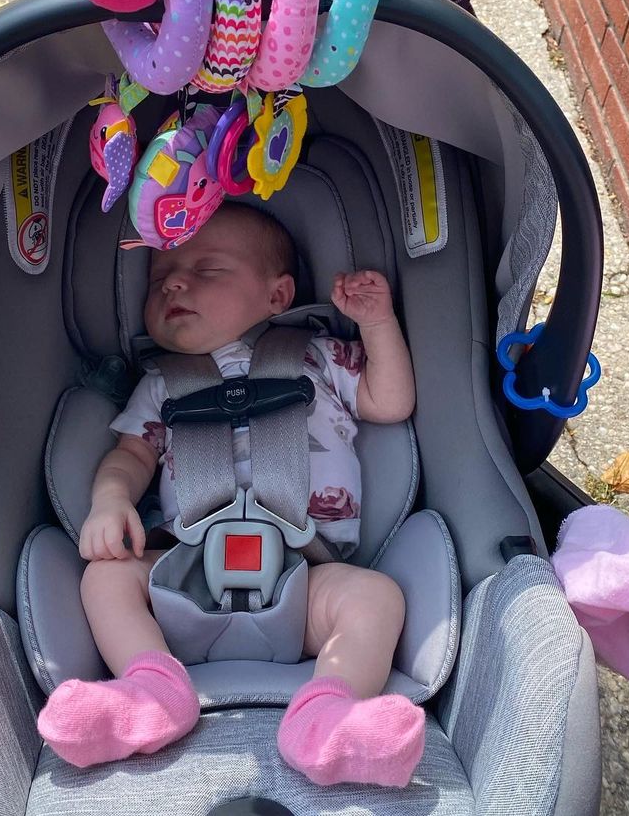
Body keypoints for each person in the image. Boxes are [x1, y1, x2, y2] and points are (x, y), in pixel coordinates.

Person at [37, 203, 425, 788]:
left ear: (277, 295)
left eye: (207, 269)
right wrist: (110, 500)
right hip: (182, 576)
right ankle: (152, 687)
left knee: (377, 598)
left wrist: (377, 325)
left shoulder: (317, 357)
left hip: (305, 576)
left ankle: (328, 715)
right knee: (106, 577)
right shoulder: (161, 383)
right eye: (159, 274)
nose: (174, 281)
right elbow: (131, 455)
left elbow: (389, 401)